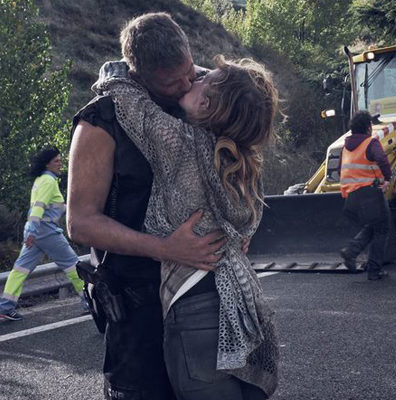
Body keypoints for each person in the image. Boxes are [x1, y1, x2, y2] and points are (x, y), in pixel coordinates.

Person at [94, 54, 280, 399]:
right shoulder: (241, 160)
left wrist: (114, 70)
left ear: (206, 102)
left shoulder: (180, 143)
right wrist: (217, 81)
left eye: (200, 79)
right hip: (241, 306)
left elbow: (129, 103)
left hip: (197, 312)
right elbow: (230, 93)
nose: (193, 77)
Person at [67, 13, 225, 400]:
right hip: (139, 310)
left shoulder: (197, 95)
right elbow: (80, 223)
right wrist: (165, 248)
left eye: (189, 71)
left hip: (203, 297)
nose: (187, 84)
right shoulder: (100, 121)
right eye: (173, 82)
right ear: (140, 75)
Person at [0, 147, 85, 321]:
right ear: (47, 164)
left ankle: (5, 307)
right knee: (74, 266)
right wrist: (33, 232)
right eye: (57, 161)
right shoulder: (48, 181)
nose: (61, 163)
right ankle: (89, 302)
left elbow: (48, 207)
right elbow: (38, 208)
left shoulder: (41, 180)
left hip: (35, 231)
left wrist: (31, 232)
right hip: (46, 232)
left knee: (20, 269)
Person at [339, 110, 392, 280]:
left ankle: (351, 251)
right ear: (368, 127)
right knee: (382, 228)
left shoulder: (345, 148)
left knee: (373, 226)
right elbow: (382, 159)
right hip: (369, 194)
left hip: (351, 197)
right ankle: (374, 270)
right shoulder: (371, 143)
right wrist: (388, 178)